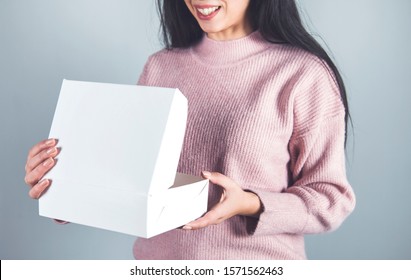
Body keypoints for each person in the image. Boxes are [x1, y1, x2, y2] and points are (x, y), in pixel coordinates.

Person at [24, 0, 356, 259]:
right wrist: (62, 187)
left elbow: (331, 200)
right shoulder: (160, 66)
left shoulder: (302, 74)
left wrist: (250, 203)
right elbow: (134, 183)